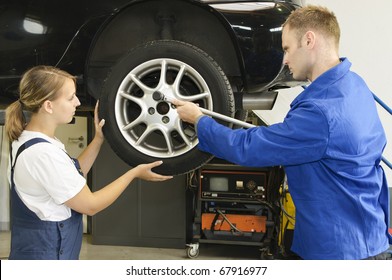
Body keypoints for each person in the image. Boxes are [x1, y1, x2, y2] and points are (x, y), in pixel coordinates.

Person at [173, 5, 392, 260]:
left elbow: (248, 148)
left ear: (309, 40)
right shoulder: (355, 85)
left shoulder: (320, 113)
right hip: (370, 234)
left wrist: (199, 121)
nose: (285, 59)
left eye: (287, 48)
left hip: (340, 250)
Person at [5, 65, 173, 260]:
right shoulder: (43, 154)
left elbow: (70, 179)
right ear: (48, 106)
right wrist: (133, 174)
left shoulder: (31, 139)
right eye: (70, 98)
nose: (77, 102)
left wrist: (98, 139)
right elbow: (90, 205)